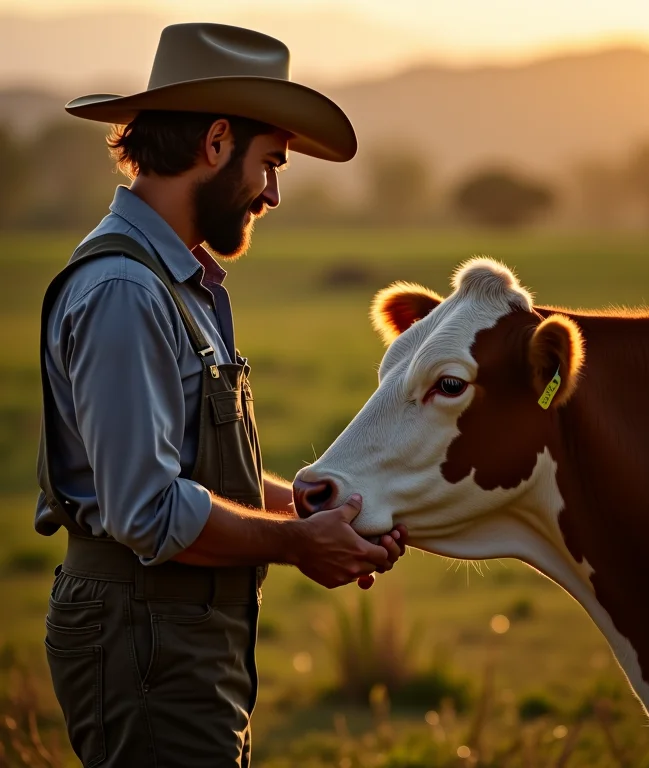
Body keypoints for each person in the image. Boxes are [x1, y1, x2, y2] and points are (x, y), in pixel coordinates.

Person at [35, 22, 407, 768]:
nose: (272, 191)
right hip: (146, 644)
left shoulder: (176, 284)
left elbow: (191, 477)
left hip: (173, 640)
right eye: (270, 163)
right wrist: (297, 545)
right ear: (214, 143)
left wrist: (306, 508)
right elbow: (147, 508)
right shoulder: (125, 292)